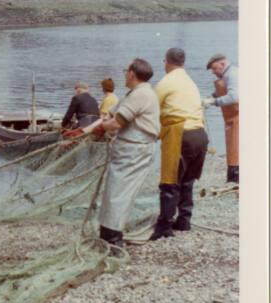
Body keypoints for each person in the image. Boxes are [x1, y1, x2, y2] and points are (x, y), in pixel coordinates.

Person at [67, 59, 160, 247]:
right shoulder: (132, 94)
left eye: (127, 70)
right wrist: (82, 131)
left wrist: (100, 129)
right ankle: (108, 233)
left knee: (120, 193)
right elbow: (107, 117)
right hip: (127, 149)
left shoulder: (142, 94)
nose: (125, 74)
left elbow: (116, 123)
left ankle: (113, 238)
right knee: (113, 191)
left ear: (132, 73)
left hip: (136, 150)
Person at [150, 48, 209, 240]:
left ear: (166, 62)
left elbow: (150, 107)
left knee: (170, 181)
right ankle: (184, 220)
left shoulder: (166, 82)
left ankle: (164, 226)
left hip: (180, 133)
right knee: (187, 180)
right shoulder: (190, 82)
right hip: (200, 134)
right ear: (183, 62)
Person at [202, 53, 239, 183]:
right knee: (232, 148)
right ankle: (233, 178)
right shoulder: (226, 75)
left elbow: (234, 97)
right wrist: (210, 97)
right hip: (230, 118)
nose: (213, 72)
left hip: (238, 117)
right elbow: (222, 91)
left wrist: (214, 102)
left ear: (223, 64)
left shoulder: (233, 74)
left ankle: (235, 178)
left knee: (236, 147)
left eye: (214, 68)